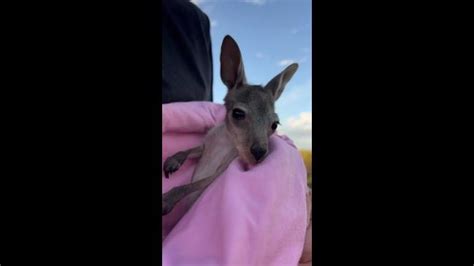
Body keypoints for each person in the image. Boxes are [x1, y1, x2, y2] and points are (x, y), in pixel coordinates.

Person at [160, 1, 312, 265]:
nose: (260, 144)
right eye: (241, 116)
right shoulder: (219, 129)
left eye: (271, 126)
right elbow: (203, 149)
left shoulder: (245, 155)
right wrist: (182, 155)